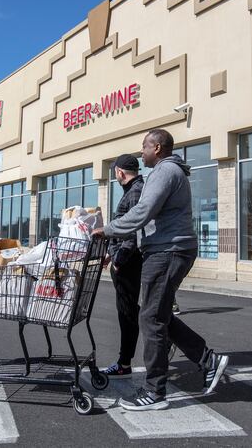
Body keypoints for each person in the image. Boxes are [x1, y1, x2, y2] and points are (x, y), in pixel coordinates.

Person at [93, 129, 228, 411]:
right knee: (159, 314)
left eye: (144, 147)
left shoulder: (165, 172)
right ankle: (208, 360)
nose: (141, 154)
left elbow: (143, 212)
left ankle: (155, 392)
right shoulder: (168, 172)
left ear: (157, 147)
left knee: (151, 318)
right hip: (168, 249)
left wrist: (106, 230)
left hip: (168, 250)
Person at [101, 154, 145, 379]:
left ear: (119, 172)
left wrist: (119, 259)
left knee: (128, 313)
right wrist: (112, 254)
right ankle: (165, 339)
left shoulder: (136, 191)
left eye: (115, 172)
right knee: (130, 312)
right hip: (124, 260)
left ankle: (124, 363)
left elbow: (134, 230)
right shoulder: (133, 190)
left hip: (128, 263)